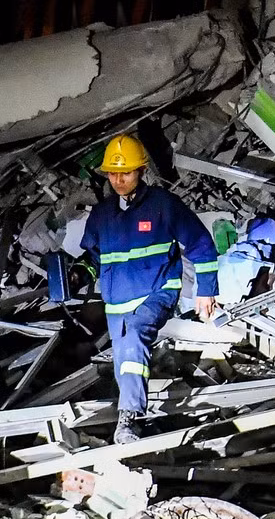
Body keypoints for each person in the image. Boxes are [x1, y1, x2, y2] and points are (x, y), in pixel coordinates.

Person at [80, 135, 220, 444]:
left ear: (141, 170)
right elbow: (93, 257)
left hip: (156, 293)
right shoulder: (101, 215)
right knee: (125, 359)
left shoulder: (162, 205)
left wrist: (205, 290)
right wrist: (74, 273)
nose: (118, 179)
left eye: (126, 172)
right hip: (116, 304)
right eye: (113, 173)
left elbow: (201, 245)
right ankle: (133, 418)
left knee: (134, 337)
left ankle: (130, 418)